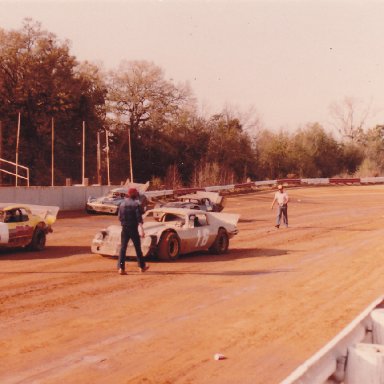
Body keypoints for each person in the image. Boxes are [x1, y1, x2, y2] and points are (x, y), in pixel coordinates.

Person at [117, 188, 149, 275]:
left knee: (123, 248)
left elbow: (119, 217)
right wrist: (141, 229)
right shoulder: (136, 204)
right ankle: (141, 267)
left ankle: (121, 268)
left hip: (124, 229)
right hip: (133, 229)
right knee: (138, 248)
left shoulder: (122, 204)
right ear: (135, 195)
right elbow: (139, 218)